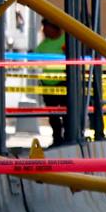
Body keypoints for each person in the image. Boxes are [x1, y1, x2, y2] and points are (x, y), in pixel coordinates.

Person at [35, 17, 68, 145]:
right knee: (53, 115)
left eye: (45, 27)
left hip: (63, 83)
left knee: (66, 112)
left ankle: (67, 136)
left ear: (54, 27)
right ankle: (57, 138)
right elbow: (35, 61)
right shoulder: (43, 46)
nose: (43, 31)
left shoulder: (65, 40)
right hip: (47, 85)